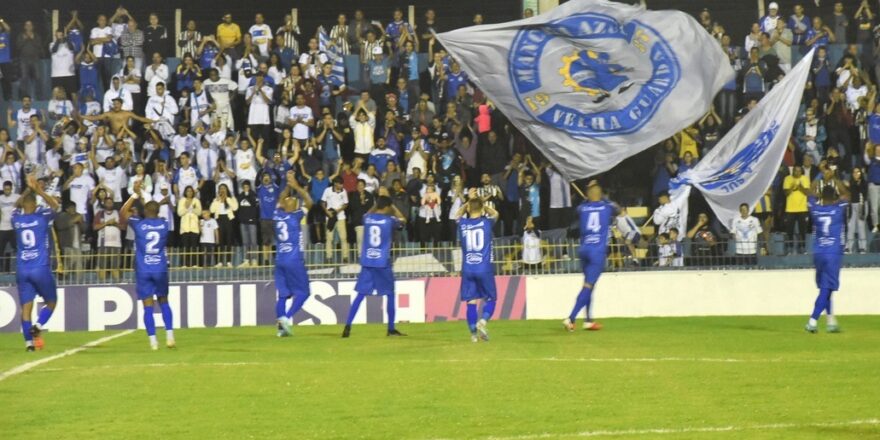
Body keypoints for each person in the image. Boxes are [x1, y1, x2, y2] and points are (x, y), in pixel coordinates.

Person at [342, 195, 407, 338]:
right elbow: (403, 221)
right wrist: (393, 207)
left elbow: (368, 213)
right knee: (389, 294)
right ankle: (391, 328)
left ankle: (348, 326)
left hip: (367, 262)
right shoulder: (390, 220)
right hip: (382, 262)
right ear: (388, 206)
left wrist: (376, 204)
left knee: (360, 295)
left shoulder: (367, 218)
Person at [121, 182, 175, 350]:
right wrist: (146, 201)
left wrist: (135, 195)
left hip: (143, 269)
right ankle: (170, 336)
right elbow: (152, 210)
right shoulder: (164, 224)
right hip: (160, 267)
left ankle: (153, 342)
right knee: (164, 301)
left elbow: (123, 212)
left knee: (147, 306)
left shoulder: (139, 224)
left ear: (145, 212)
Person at [13, 174, 60, 351]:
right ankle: (38, 327)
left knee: (26, 308)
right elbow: (55, 205)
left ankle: (29, 345)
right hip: (40, 268)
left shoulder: (16, 219)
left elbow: (17, 205)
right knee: (51, 302)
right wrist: (38, 189)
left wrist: (27, 189)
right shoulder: (42, 217)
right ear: (34, 205)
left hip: (22, 269)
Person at [564, 181, 618, 332]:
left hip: (584, 249)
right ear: (600, 194)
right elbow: (618, 210)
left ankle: (588, 320)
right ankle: (571, 318)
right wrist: (604, 199)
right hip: (597, 251)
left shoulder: (582, 208)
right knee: (588, 285)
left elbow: (578, 211)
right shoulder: (607, 207)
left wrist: (588, 197)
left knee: (589, 284)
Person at [454, 189, 500, 342]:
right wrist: (483, 205)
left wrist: (468, 204)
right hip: (484, 268)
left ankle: (473, 335)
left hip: (468, 268)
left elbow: (456, 215)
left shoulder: (463, 223)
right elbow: (496, 214)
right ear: (481, 209)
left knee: (471, 302)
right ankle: (483, 321)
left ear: (468, 209)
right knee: (491, 299)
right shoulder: (487, 222)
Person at [805, 183, 850, 334]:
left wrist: (817, 180)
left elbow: (809, 194)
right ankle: (812, 320)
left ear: (822, 197)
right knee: (826, 288)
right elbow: (847, 194)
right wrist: (834, 176)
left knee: (826, 287)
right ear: (835, 197)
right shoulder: (838, 209)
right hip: (833, 252)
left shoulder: (815, 209)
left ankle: (831, 322)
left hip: (818, 252)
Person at [273, 174, 313, 337]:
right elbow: (310, 202)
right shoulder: (295, 216)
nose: (296, 201)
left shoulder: (277, 215)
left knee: (283, 295)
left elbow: (281, 198)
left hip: (280, 260)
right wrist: (296, 186)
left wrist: (287, 186)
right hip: (294, 260)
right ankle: (286, 319)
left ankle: (281, 329)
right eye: (294, 201)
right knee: (304, 293)